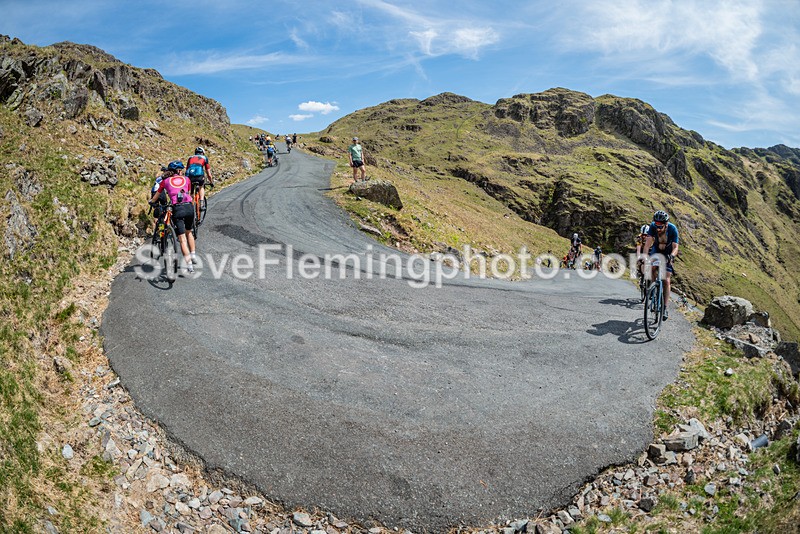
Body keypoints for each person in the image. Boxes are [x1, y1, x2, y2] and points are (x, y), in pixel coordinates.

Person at [149, 160, 197, 273]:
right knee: (189, 232)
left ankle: (189, 265)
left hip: (177, 209)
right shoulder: (187, 179)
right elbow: (188, 193)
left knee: (182, 239)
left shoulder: (165, 181)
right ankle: (193, 255)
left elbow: (156, 197)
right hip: (189, 207)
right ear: (179, 171)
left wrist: (151, 201)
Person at [643, 210, 680, 319]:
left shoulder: (673, 229)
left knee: (666, 279)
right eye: (657, 225)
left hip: (668, 252)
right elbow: (647, 245)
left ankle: (665, 308)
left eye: (661, 226)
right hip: (656, 250)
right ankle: (654, 288)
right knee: (652, 268)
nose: (658, 228)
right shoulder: (653, 226)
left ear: (666, 224)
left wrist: (672, 256)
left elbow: (675, 247)